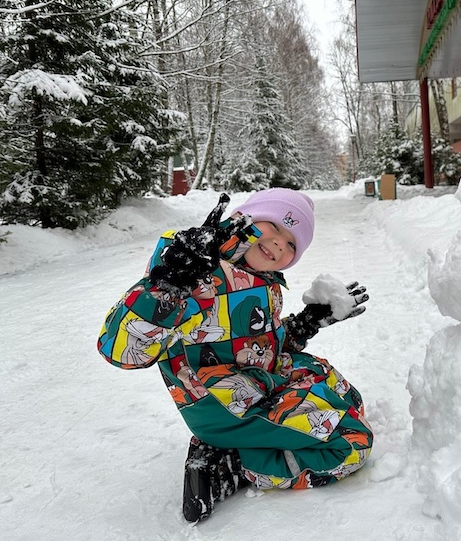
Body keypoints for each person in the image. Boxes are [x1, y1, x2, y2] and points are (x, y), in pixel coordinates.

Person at [97, 189, 373, 522]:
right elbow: (121, 350)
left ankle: (225, 446)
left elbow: (257, 347)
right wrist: (169, 285)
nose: (279, 246)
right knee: (352, 444)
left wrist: (305, 323)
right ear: (246, 218)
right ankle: (237, 466)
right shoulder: (197, 271)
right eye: (276, 226)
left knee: (346, 396)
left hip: (252, 385)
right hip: (222, 404)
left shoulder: (262, 282)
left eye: (291, 245)